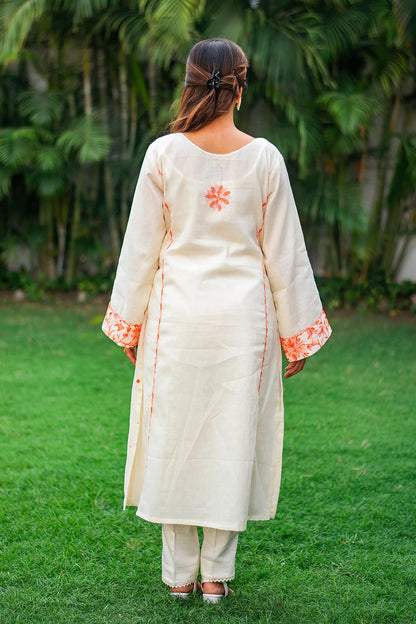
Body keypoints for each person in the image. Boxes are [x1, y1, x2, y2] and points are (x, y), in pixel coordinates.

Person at [102, 38, 331, 603]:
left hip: (175, 321)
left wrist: (129, 325)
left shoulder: (162, 154)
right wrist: (296, 332)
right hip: (241, 325)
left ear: (190, 81)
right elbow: (285, 254)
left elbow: (140, 251)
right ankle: (215, 579)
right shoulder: (265, 158)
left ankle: (179, 577)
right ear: (241, 84)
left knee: (174, 440)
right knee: (231, 440)